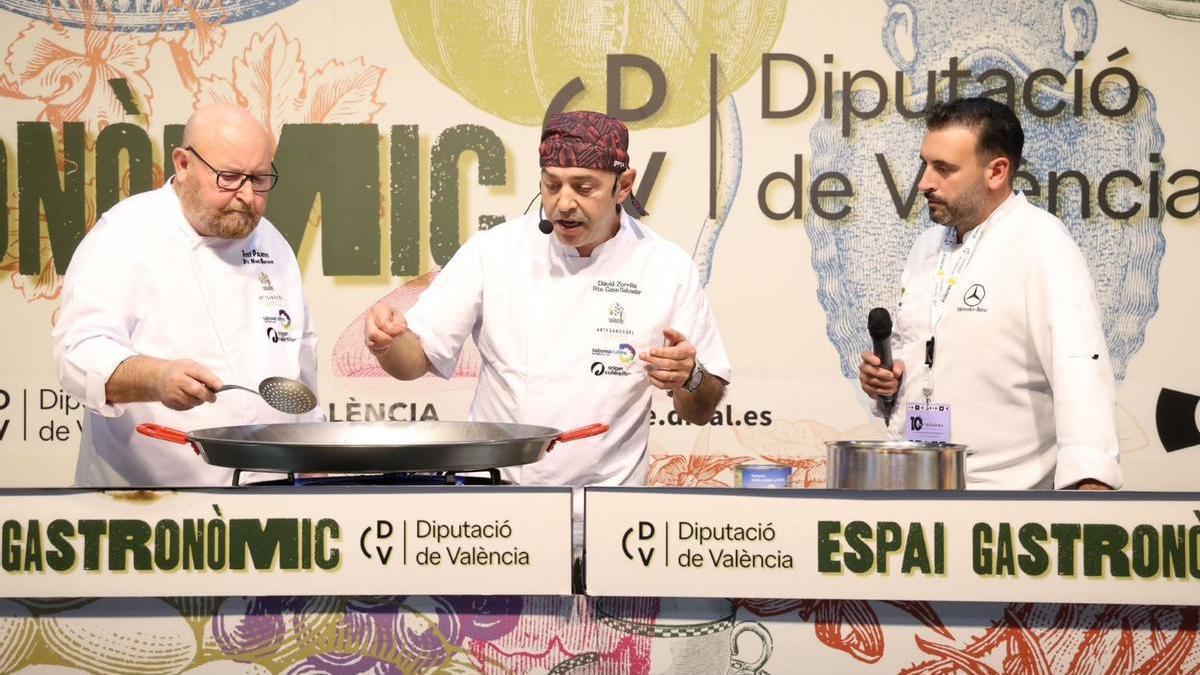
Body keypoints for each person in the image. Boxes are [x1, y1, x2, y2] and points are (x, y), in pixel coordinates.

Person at [364, 110, 730, 499]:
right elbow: (414, 361)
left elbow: (701, 409)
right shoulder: (494, 252)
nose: (564, 204)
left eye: (584, 187)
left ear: (623, 186)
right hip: (501, 503)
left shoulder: (666, 267)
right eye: (552, 185)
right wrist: (389, 341)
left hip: (610, 506)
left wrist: (689, 376)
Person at [859, 97, 1122, 490]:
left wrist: (1089, 483)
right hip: (914, 487)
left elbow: (1079, 368)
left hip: (1003, 505)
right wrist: (887, 384)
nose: (924, 182)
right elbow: (924, 358)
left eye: (943, 169)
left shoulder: (1041, 242)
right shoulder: (926, 248)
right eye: (925, 164)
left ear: (997, 171)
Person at [52, 103, 319, 487]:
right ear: (182, 163)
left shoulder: (273, 244)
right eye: (229, 178)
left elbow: (301, 358)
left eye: (259, 180)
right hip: (151, 502)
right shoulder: (125, 233)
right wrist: (157, 377)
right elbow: (77, 353)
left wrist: (314, 461)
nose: (246, 195)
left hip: (270, 493)